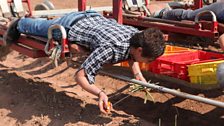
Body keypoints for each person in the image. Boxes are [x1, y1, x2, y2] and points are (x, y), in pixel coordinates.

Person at [1, 10, 165, 113]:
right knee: (38, 28)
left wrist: (137, 74)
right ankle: (19, 23)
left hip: (92, 17)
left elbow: (131, 56)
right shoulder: (110, 49)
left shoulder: (135, 35)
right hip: (70, 25)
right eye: (148, 59)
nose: (148, 62)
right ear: (140, 50)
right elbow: (80, 76)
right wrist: (100, 93)